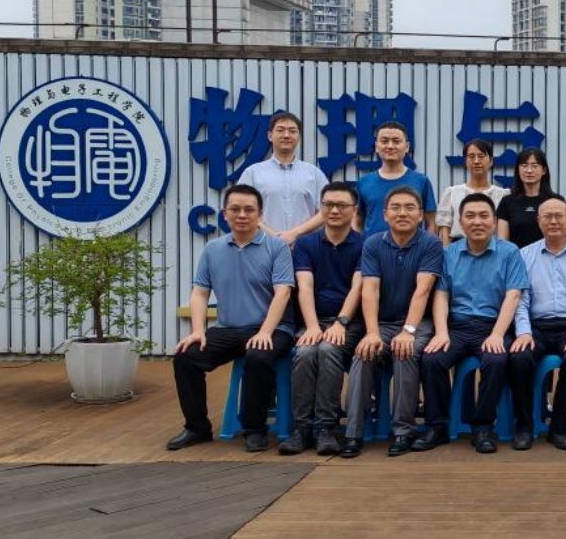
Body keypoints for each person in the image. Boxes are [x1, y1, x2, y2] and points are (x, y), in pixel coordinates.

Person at [168, 184, 295, 453]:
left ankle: (255, 429)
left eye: (249, 209)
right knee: (186, 357)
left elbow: (283, 293)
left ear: (260, 214)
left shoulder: (277, 248)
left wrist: (265, 332)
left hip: (274, 328)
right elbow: (200, 293)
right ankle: (197, 428)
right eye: (235, 209)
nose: (242, 215)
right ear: (224, 214)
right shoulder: (213, 249)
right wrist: (198, 330)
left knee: (258, 356)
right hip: (228, 328)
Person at [415, 193, 529, 454]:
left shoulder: (510, 252)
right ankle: (437, 427)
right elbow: (441, 295)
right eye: (470, 216)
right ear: (460, 222)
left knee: (496, 360)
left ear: (494, 221)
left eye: (484, 215)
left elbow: (513, 296)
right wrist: (441, 332)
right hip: (457, 326)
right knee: (432, 359)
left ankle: (483, 427)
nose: (477, 221)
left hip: (493, 326)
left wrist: (497, 334)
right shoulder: (449, 253)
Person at [340, 185, 443, 458]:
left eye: (410, 208)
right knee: (363, 353)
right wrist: (372, 333)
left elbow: (423, 290)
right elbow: (370, 289)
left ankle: (403, 431)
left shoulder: (430, 243)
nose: (402, 213)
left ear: (420, 215)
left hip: (418, 322)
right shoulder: (373, 243)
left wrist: (408, 331)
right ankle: (353, 433)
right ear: (385, 214)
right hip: (383, 323)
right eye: (395, 208)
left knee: (404, 351)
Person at [281, 181, 365, 456]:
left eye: (341, 205)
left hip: (350, 323)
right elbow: (304, 286)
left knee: (329, 349)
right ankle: (302, 429)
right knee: (305, 352)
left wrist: (341, 322)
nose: (334, 210)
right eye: (328, 205)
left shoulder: (365, 244)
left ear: (354, 210)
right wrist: (313, 325)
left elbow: (358, 287)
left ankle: (325, 428)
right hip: (313, 320)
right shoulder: (306, 244)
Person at [507, 196, 566, 451]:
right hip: (537, 326)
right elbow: (520, 300)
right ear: (538, 221)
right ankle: (525, 427)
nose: (554, 221)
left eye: (559, 216)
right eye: (548, 216)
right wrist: (523, 332)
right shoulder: (524, 254)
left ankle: (558, 428)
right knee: (519, 357)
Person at [236, 111, 329, 246]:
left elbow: (327, 210)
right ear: (270, 136)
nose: (286, 135)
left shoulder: (314, 173)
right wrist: (274, 236)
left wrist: (295, 233)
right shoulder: (252, 173)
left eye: (292, 131)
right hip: (262, 247)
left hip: (305, 249)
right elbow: (242, 210)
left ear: (298, 136)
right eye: (280, 130)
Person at [355, 121, 438, 237]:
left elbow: (431, 223)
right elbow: (357, 221)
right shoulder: (364, 182)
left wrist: (428, 246)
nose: (390, 146)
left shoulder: (421, 181)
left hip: (412, 247)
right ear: (376, 147)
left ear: (407, 147)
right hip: (372, 247)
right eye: (384, 141)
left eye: (396, 141)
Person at [437, 138, 509, 245]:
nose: (476, 161)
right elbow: (445, 230)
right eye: (471, 157)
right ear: (466, 162)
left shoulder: (503, 195)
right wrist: (447, 252)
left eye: (481, 156)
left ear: (491, 161)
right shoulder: (452, 193)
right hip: (458, 248)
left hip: (493, 248)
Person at [496, 147, 554, 248]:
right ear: (518, 170)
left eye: (534, 166)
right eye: (524, 166)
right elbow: (503, 244)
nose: (529, 170)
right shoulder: (507, 202)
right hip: (516, 257)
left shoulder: (555, 201)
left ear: (544, 170)